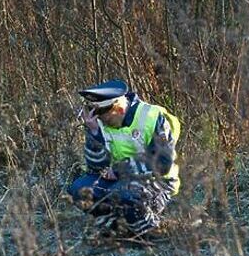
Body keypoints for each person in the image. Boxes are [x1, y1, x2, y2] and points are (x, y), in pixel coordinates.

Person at [67, 79, 181, 235]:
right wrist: (94, 134)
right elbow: (96, 168)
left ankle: (152, 232)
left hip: (158, 183)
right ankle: (118, 231)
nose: (98, 119)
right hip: (118, 181)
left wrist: (120, 170)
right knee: (79, 190)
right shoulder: (98, 121)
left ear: (119, 110)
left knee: (125, 194)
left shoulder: (152, 117)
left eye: (102, 115)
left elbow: (162, 163)